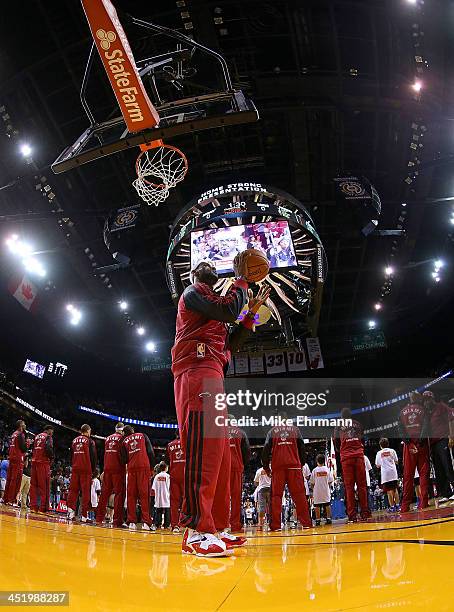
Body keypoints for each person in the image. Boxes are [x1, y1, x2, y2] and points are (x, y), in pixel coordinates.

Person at [171, 256, 270, 556]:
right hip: (195, 370)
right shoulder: (194, 293)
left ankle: (214, 528)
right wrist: (242, 279)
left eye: (214, 265)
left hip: (213, 371)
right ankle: (195, 531)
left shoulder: (213, 310)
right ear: (193, 274)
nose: (209, 266)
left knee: (220, 457)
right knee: (204, 450)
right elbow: (229, 309)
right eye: (203, 264)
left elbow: (233, 342)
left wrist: (250, 313)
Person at [262, 419, 312, 531]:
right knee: (299, 495)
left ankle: (275, 526)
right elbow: (302, 447)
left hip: (278, 466)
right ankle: (307, 523)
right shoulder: (296, 430)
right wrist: (301, 463)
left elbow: (266, 449)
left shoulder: (272, 431)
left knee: (276, 496)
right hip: (294, 465)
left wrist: (266, 466)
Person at [334, 408, 371, 522]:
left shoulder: (338, 427)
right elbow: (363, 438)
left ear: (341, 417)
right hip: (359, 456)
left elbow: (336, 443)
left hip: (346, 458)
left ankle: (352, 516)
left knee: (349, 488)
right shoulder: (358, 424)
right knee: (362, 486)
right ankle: (365, 513)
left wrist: (343, 451)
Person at [399, 392, 430, 513]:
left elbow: (400, 429)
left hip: (409, 446)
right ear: (417, 398)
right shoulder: (423, 410)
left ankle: (405, 506)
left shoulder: (402, 412)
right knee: (423, 474)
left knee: (408, 476)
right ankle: (423, 503)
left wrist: (408, 442)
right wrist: (421, 441)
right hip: (421, 444)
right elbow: (426, 426)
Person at [120, 425, 155, 531]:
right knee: (145, 495)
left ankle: (131, 522)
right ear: (133, 431)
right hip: (143, 467)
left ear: (124, 434)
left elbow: (124, 459)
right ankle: (146, 523)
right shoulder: (143, 435)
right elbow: (150, 452)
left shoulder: (124, 442)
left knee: (131, 496)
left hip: (131, 469)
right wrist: (152, 467)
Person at [422, 391, 454, 502]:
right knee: (439, 469)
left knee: (448, 466)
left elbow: (451, 419)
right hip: (433, 444)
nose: (426, 402)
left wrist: (451, 436)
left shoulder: (441, 406)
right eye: (425, 400)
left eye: (428, 399)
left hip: (443, 440)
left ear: (432, 398)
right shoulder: (427, 413)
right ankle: (446, 494)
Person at [96, 423, 126, 527]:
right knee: (118, 495)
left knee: (104, 495)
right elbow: (123, 455)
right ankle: (117, 520)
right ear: (122, 431)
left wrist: (104, 469)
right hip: (118, 469)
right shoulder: (123, 439)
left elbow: (106, 454)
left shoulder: (108, 438)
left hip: (107, 468)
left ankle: (99, 518)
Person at [67, 424, 97, 523]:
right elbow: (93, 457)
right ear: (88, 431)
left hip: (75, 468)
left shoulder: (74, 441)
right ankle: (84, 516)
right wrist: (93, 471)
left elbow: (71, 456)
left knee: (73, 491)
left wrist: (73, 465)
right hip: (86, 469)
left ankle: (70, 513)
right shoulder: (90, 441)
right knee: (85, 493)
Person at [228, 420, 250, 532]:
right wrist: (243, 464)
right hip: (236, 467)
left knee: (221, 497)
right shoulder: (241, 433)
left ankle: (220, 524)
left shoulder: (218, 431)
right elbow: (246, 451)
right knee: (236, 497)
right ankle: (235, 525)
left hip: (222, 468)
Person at [30, 425, 54, 513]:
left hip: (34, 462)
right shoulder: (48, 437)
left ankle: (33, 507)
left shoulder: (36, 436)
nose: (52, 433)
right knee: (43, 487)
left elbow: (33, 449)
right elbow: (48, 449)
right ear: (49, 430)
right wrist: (52, 457)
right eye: (52, 431)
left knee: (33, 486)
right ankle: (42, 508)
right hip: (43, 463)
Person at [3, 420, 27, 505]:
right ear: (21, 425)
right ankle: (11, 500)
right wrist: (28, 443)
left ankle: (5, 498)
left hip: (11, 457)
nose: (25, 425)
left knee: (9, 479)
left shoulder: (14, 434)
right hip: (17, 458)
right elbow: (23, 448)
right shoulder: (21, 434)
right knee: (15, 480)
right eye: (24, 424)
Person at [166, 433, 185, 533]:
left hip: (174, 476)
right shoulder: (187, 442)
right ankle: (185, 523)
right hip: (185, 475)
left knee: (174, 502)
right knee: (187, 501)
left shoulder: (170, 445)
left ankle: (175, 525)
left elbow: (167, 460)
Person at [375, 438, 400, 512]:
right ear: (388, 444)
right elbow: (397, 461)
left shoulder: (379, 453)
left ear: (380, 445)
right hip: (393, 473)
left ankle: (392, 507)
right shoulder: (392, 451)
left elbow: (377, 465)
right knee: (395, 489)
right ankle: (398, 506)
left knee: (389, 491)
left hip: (386, 474)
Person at [310, 454, 333, 526]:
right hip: (325, 490)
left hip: (317, 491)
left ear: (317, 461)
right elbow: (330, 481)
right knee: (327, 504)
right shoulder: (327, 469)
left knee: (317, 505)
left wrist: (313, 488)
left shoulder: (314, 470)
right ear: (324, 461)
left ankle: (318, 520)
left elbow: (312, 482)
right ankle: (328, 519)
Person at [152, 462, 171, 529]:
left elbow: (153, 487)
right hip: (166, 495)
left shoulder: (156, 476)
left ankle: (158, 524)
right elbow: (170, 486)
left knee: (158, 510)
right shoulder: (168, 476)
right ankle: (166, 525)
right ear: (166, 468)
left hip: (158, 496)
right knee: (167, 511)